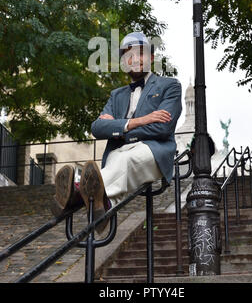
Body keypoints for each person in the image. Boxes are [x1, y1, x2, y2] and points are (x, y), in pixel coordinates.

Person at [51, 32, 182, 233]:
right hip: (117, 154)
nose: (134, 59)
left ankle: (74, 196)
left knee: (124, 160)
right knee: (118, 159)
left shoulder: (169, 86)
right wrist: (140, 121)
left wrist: (119, 128)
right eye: (128, 56)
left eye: (140, 54)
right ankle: (104, 208)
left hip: (154, 152)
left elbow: (162, 128)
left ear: (151, 58)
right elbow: (97, 128)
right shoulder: (116, 95)